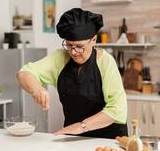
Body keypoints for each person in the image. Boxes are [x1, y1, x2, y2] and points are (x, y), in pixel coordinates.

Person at [17, 8, 127, 139]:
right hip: (74, 138)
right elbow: (24, 73)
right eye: (69, 45)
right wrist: (36, 89)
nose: (74, 52)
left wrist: (82, 126)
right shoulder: (60, 58)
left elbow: (117, 110)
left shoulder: (106, 62)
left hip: (109, 139)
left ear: (93, 40)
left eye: (80, 46)